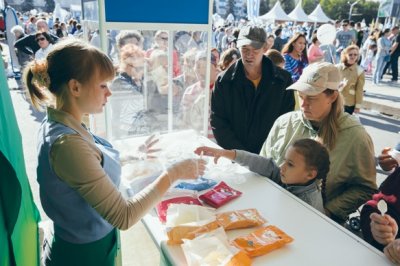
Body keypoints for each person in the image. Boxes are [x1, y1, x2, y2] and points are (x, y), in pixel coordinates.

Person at [23, 39, 206, 265]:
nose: (109, 93)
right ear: (75, 87)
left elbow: (88, 163)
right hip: (81, 257)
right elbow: (124, 216)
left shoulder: (65, 124)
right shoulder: (66, 144)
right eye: (102, 86)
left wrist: (132, 155)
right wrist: (174, 173)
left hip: (92, 246)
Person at [260, 62, 377, 224]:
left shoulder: (355, 135)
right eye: (300, 96)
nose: (303, 104)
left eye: (312, 98)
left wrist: (327, 212)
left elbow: (365, 187)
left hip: (317, 225)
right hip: (270, 211)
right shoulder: (284, 122)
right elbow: (264, 163)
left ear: (333, 96)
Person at [211, 25, 295, 154]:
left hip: (269, 156)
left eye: (255, 49)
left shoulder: (283, 80)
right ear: (238, 47)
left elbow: (286, 120)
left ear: (265, 48)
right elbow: (218, 121)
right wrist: (240, 155)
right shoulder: (224, 81)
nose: (249, 54)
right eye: (245, 49)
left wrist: (269, 153)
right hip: (235, 158)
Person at [195, 138, 330, 213]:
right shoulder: (290, 176)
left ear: (310, 174)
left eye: (290, 164)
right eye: (284, 160)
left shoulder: (308, 207)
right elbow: (261, 163)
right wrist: (225, 153)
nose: (282, 167)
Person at [336, 45, 365, 114]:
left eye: (355, 55)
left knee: (344, 124)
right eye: (350, 54)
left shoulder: (359, 71)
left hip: (349, 103)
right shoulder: (337, 67)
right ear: (345, 55)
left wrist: (357, 106)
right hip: (335, 101)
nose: (353, 56)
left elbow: (359, 90)